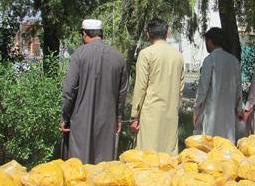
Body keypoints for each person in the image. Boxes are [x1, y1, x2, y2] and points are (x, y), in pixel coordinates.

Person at [60, 19, 128, 163]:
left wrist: (65, 117)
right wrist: (119, 118)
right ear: (101, 34)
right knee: (103, 168)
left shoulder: (79, 54)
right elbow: (122, 93)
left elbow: (69, 90)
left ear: (84, 34)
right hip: (107, 121)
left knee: (80, 168)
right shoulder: (119, 57)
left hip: (80, 121)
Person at [130, 18, 184, 155]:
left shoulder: (146, 54)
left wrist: (135, 116)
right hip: (171, 114)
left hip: (151, 113)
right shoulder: (177, 56)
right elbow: (180, 89)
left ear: (148, 34)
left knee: (148, 156)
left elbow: (140, 87)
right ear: (166, 34)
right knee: (168, 156)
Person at [193, 27, 242, 143]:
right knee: (227, 145)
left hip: (211, 113)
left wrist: (196, 110)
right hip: (229, 113)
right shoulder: (233, 60)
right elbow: (238, 89)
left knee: (210, 145)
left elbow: (203, 90)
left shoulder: (210, 60)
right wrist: (238, 110)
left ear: (209, 41)